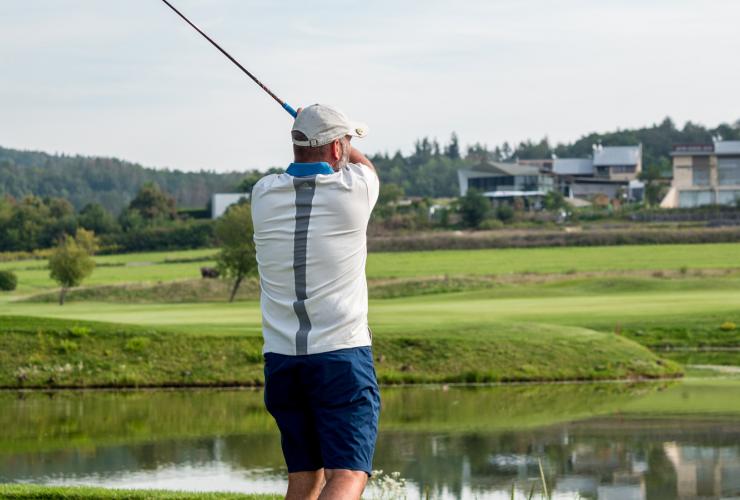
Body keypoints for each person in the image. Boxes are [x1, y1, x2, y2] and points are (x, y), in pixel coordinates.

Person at [251, 103, 380, 499]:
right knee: (348, 474)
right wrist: (342, 141)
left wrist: (315, 132)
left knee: (305, 477)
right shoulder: (355, 191)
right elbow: (366, 166)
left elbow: (316, 159)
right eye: (345, 141)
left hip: (282, 360)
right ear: (338, 148)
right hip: (341, 356)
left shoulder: (262, 194)